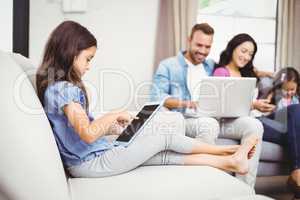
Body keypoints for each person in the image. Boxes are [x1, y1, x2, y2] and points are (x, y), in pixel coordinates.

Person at [35, 20, 258, 178]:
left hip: (94, 157)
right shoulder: (62, 89)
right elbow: (87, 133)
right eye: (87, 59)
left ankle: (231, 160)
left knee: (162, 152)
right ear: (69, 52)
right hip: (90, 163)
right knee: (164, 136)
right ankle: (228, 151)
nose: (89, 65)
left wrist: (112, 127)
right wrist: (115, 113)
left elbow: (81, 132)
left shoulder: (59, 87)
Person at [150, 24, 263, 187]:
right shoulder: (169, 65)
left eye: (207, 47)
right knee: (208, 124)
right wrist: (188, 103)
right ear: (189, 40)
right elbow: (156, 97)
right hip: (187, 118)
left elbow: (232, 72)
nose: (203, 51)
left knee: (254, 125)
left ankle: (244, 189)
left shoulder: (210, 65)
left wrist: (263, 73)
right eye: (199, 45)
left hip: (216, 117)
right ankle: (204, 186)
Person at [213, 33, 300, 198]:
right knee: (294, 130)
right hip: (242, 121)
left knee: (295, 109)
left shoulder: (248, 73)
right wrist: (253, 104)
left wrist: (269, 76)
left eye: (250, 54)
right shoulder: (221, 72)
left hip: (258, 116)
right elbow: (221, 105)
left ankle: (297, 173)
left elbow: (266, 75)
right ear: (233, 48)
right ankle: (297, 176)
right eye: (243, 51)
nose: (246, 56)